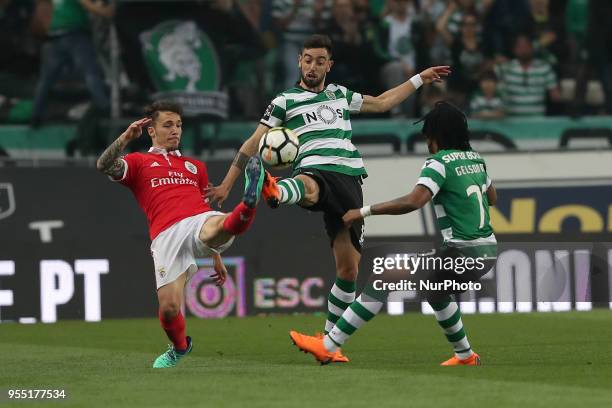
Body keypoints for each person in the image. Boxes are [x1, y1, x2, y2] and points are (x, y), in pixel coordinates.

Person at [208, 34, 450, 362]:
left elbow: (382, 103)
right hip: (315, 168)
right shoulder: (284, 101)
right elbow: (254, 142)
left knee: (349, 270)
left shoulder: (340, 95)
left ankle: (329, 345)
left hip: (350, 178)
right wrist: (226, 184)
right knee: (310, 186)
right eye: (308, 59)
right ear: (299, 61)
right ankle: (276, 189)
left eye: (320, 61)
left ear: (329, 65)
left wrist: (420, 78)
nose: (312, 66)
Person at [290, 101, 498, 366]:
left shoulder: (438, 163)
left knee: (386, 275)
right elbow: (492, 198)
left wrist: (363, 212)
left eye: (428, 135)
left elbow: (413, 202)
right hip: (488, 250)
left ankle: (329, 345)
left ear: (435, 135)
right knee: (437, 293)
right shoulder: (477, 161)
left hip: (463, 251)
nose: (426, 141)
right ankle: (465, 355)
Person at [96, 101, 266, 368]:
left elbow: (202, 211)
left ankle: (248, 203)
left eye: (178, 125)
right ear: (151, 130)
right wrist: (126, 138)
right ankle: (180, 348)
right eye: (167, 125)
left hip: (199, 222)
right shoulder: (138, 162)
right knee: (169, 309)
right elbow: (104, 165)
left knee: (217, 226)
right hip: (165, 236)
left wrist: (215, 255)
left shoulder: (195, 167)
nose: (175, 130)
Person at [31, 0, 114, 127]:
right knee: (90, 72)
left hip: (53, 38)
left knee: (46, 80)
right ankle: (104, 108)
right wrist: (109, 12)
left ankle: (36, 116)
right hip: (75, 36)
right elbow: (92, 7)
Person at [495, 33, 560, 116]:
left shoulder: (544, 68)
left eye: (526, 46)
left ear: (532, 48)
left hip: (537, 120)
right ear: (514, 50)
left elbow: (556, 96)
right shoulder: (506, 68)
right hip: (511, 121)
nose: (523, 50)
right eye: (520, 47)